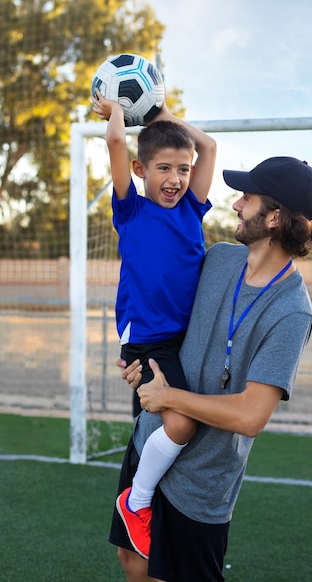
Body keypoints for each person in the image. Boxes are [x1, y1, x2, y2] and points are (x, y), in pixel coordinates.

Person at [110, 155, 312, 582]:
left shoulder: (291, 312)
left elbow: (249, 416)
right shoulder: (220, 259)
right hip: (152, 437)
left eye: (247, 198)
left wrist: (169, 397)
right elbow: (163, 312)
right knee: (134, 565)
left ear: (274, 218)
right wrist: (139, 362)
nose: (235, 205)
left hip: (202, 481)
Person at [92, 89, 216, 559]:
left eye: (183, 169)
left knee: (171, 433)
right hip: (147, 346)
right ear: (142, 172)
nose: (176, 178)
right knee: (181, 422)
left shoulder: (192, 210)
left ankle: (159, 519)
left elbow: (211, 149)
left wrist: (163, 115)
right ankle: (136, 502)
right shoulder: (130, 211)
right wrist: (121, 111)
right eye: (164, 168)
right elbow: (117, 145)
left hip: (188, 344)